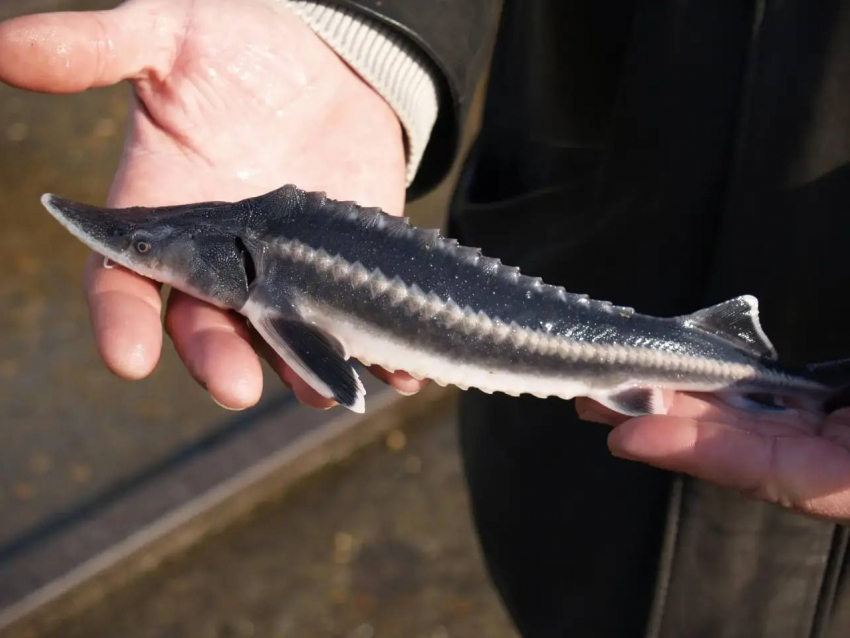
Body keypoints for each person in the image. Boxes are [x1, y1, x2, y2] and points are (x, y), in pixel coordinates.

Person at [1, 1, 850, 635]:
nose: (137, 252)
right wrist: (349, 22)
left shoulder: (273, 287)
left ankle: (769, 377)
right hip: (566, 504)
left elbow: (335, 374)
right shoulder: (258, 253)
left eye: (150, 252)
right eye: (150, 250)